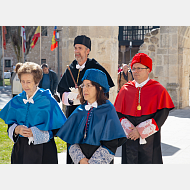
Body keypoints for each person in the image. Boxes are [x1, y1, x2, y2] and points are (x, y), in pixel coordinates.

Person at [57, 35, 115, 163]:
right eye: (75, 48)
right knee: (74, 151)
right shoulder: (70, 68)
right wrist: (71, 98)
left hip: (94, 118)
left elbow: (105, 92)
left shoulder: (97, 68)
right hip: (74, 115)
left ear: (87, 51)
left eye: (80, 48)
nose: (77, 51)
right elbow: (60, 90)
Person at [0, 62, 66, 164]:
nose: (25, 85)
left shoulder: (48, 100)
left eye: (29, 82)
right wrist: (16, 129)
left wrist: (37, 133)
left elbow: (58, 128)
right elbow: (10, 125)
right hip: (20, 150)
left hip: (44, 151)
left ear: (36, 82)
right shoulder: (16, 100)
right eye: (23, 81)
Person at [114, 53, 175, 164]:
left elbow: (163, 113)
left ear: (148, 70)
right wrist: (130, 130)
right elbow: (118, 113)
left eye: (139, 68)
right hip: (129, 137)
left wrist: (141, 131)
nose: (135, 71)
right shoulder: (125, 89)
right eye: (134, 68)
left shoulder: (158, 89)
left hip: (150, 139)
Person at [56, 69, 127, 164]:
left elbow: (111, 143)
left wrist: (92, 163)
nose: (84, 89)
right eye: (83, 85)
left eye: (88, 85)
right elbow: (71, 140)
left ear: (99, 87)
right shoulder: (79, 110)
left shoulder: (108, 110)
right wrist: (81, 159)